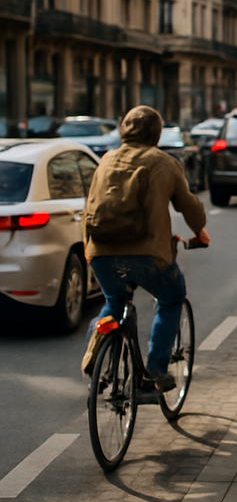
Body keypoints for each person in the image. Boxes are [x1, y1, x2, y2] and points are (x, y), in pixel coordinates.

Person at [81, 106, 208, 390]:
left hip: (101, 252)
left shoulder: (106, 160)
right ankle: (156, 369)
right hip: (148, 255)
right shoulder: (164, 162)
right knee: (172, 298)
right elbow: (190, 208)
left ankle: (95, 358)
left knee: (113, 302)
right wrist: (200, 232)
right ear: (157, 133)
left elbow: (88, 206)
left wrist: (90, 251)